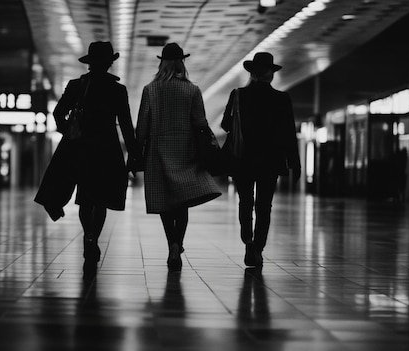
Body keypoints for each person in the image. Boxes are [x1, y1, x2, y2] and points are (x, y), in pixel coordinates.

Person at [35, 41, 141, 268]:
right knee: (100, 198)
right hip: (107, 148)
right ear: (110, 63)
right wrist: (133, 154)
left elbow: (58, 112)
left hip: (81, 147)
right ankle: (94, 236)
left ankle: (87, 234)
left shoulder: (76, 85)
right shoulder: (117, 90)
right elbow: (125, 124)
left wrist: (68, 131)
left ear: (90, 63)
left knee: (85, 196)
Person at [136, 43, 222, 271]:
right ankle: (178, 244)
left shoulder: (150, 90)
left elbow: (142, 125)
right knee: (182, 202)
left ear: (161, 63)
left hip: (158, 149)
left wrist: (137, 151)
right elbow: (200, 123)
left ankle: (171, 243)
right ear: (181, 62)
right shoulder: (192, 90)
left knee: (165, 201)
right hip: (185, 148)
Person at [221, 52, 301, 267]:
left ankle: (247, 239)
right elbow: (288, 133)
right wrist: (295, 162)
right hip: (270, 161)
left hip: (243, 159)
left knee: (245, 202)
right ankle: (258, 247)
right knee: (264, 205)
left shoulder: (238, 95)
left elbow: (225, 125)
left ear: (253, 73)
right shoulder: (282, 99)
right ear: (270, 74)